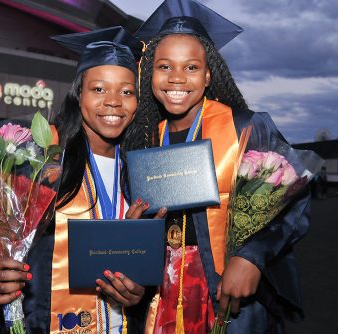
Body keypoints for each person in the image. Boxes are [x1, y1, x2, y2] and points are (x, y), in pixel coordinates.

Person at [0, 27, 166, 333]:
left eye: (127, 91)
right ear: (78, 94)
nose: (114, 101)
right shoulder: (38, 162)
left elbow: (151, 265)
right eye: (99, 89)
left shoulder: (144, 171)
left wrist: (140, 292)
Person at [123, 0, 311, 333]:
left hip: (225, 289)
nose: (177, 78)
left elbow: (292, 201)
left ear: (208, 75)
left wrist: (253, 256)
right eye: (164, 66)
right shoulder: (143, 136)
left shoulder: (245, 128)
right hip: (158, 294)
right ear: (149, 71)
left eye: (191, 67)